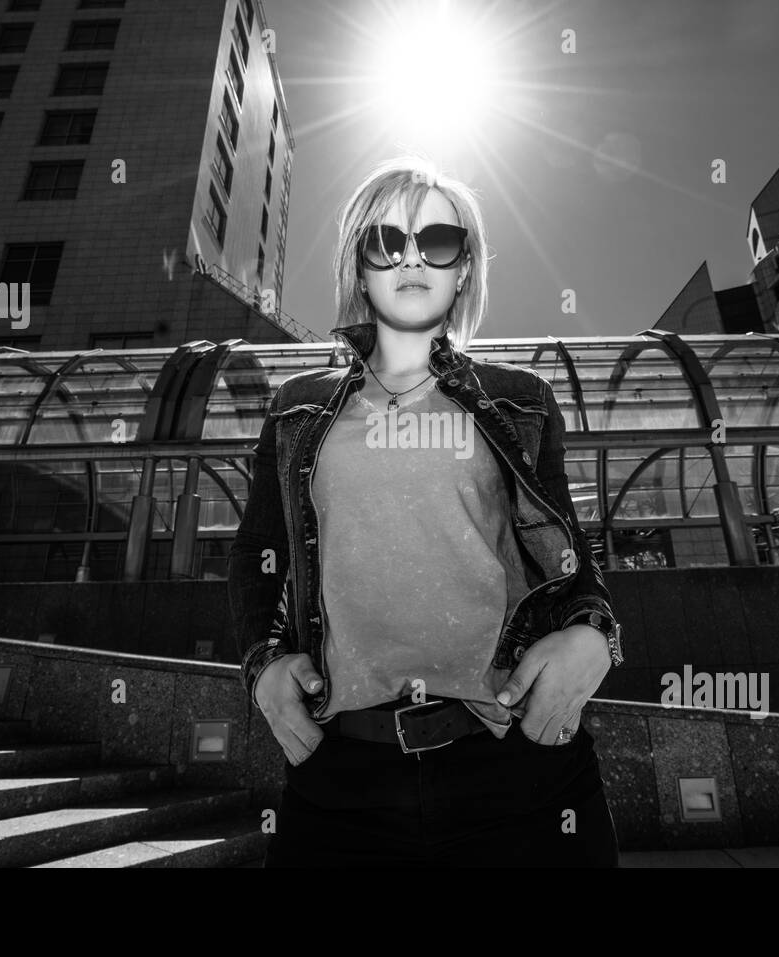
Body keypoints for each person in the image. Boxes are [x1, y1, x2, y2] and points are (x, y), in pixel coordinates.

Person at [227, 155, 624, 867]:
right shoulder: (295, 409)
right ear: (360, 268)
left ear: (464, 269)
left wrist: (593, 635)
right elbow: (257, 554)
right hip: (340, 777)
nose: (411, 257)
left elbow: (569, 554)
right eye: (386, 240)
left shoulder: (521, 399)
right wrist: (262, 665)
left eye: (438, 241)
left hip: (520, 764)